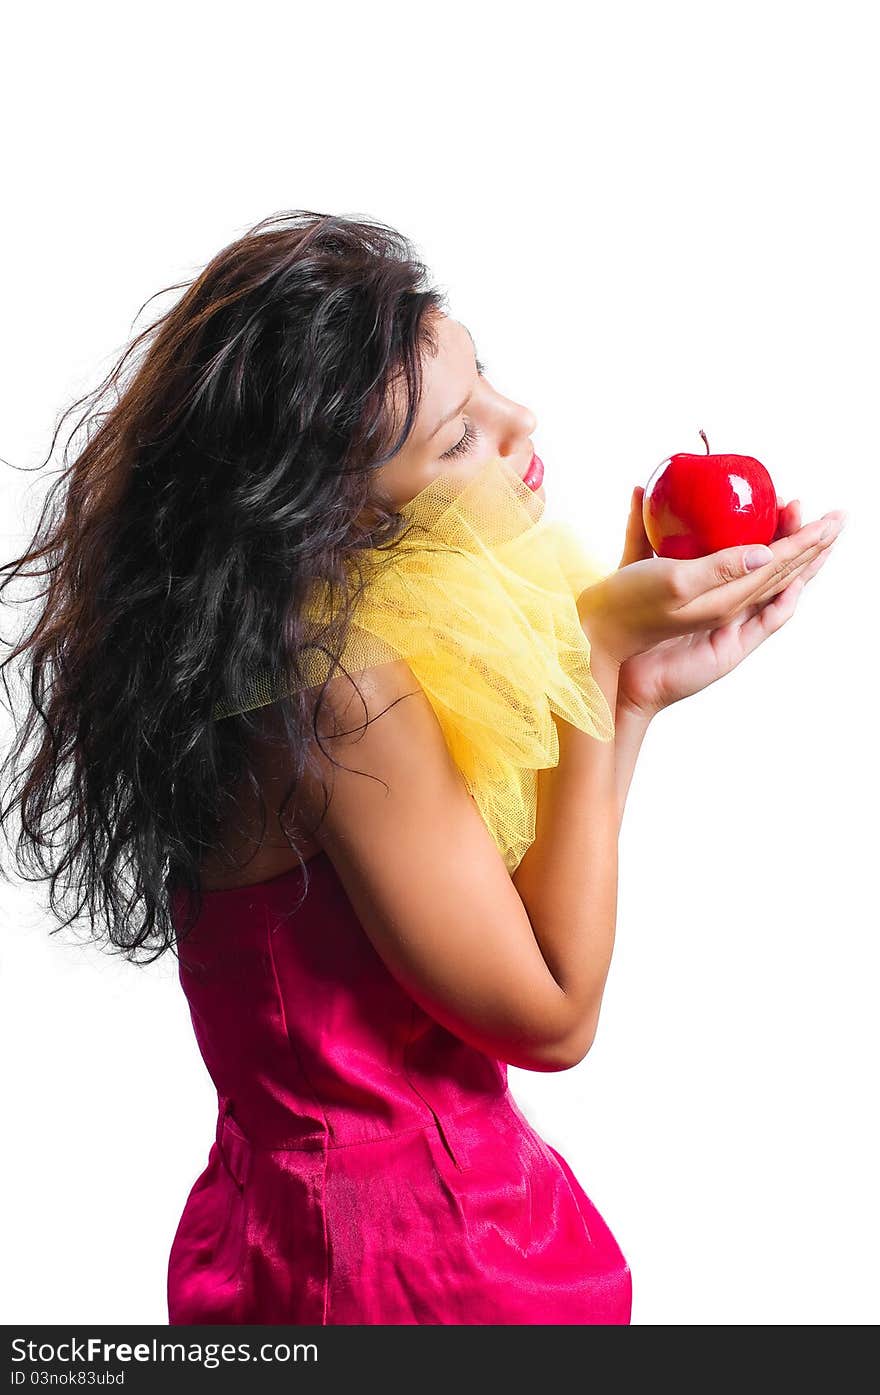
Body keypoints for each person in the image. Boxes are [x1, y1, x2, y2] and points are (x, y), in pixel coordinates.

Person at [0, 210, 845, 1326]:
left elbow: (495, 928)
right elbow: (550, 1016)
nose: (517, 420)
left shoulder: (265, 647)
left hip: (286, 1235)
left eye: (481, 376)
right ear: (331, 514)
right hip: (410, 1269)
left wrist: (629, 690)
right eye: (456, 440)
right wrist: (594, 660)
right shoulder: (345, 690)